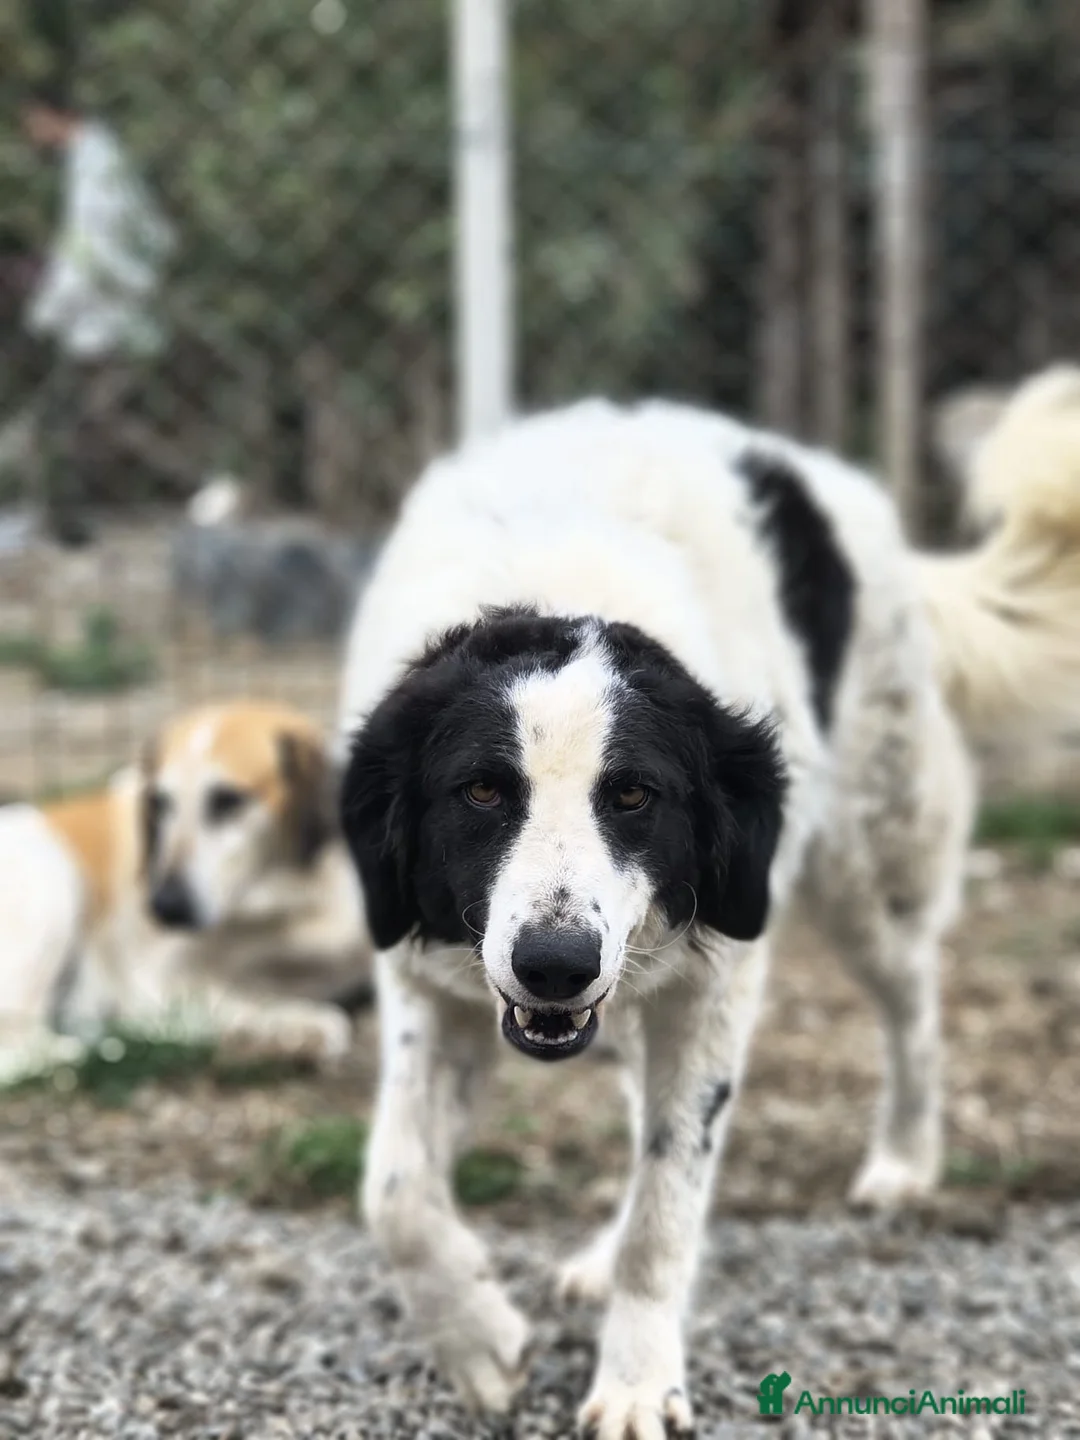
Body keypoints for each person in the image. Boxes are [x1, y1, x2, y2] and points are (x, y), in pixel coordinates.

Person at [21, 86, 176, 540]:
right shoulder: (96, 158)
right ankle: (81, 516)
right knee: (93, 418)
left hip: (108, 311)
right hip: (105, 310)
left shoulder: (97, 166)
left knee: (92, 418)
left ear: (55, 116)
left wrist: (50, 310)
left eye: (32, 121)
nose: (30, 133)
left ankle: (197, 484)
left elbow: (88, 247)